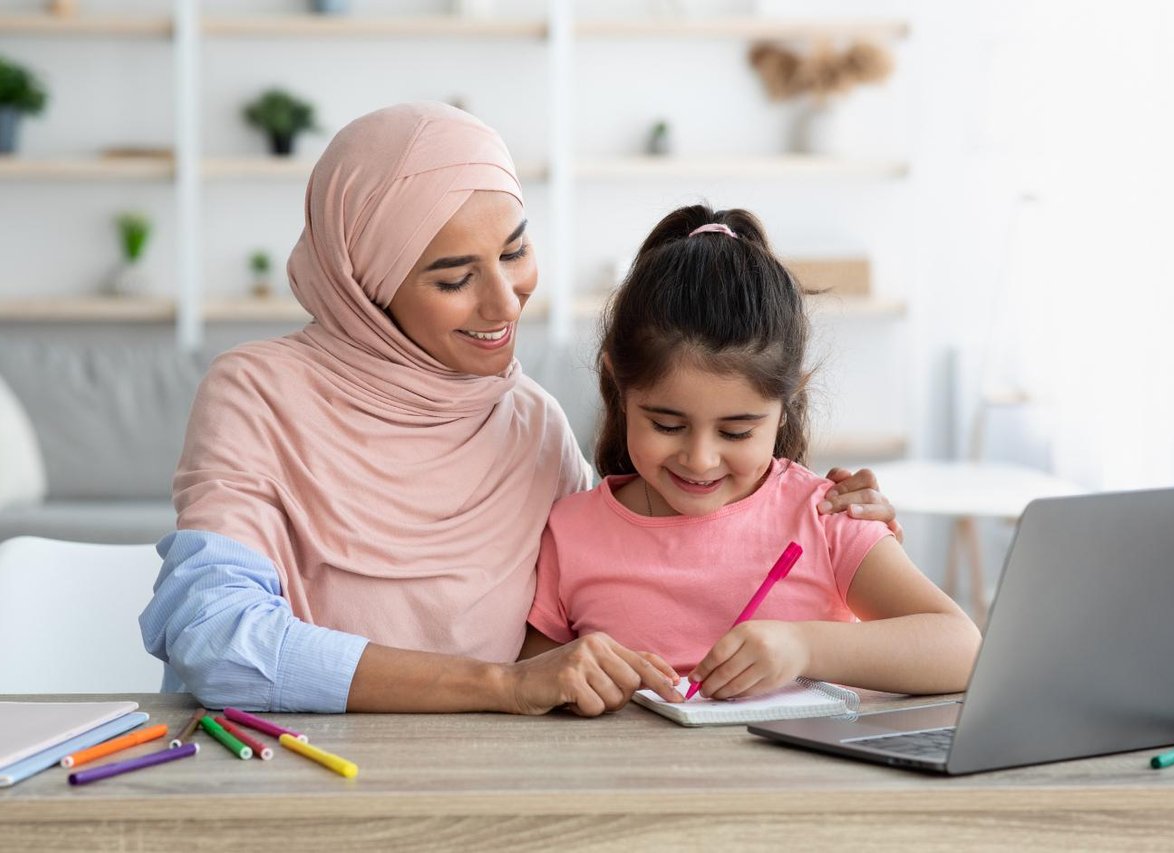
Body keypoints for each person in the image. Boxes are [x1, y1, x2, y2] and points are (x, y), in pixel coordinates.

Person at [139, 102, 901, 715]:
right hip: (296, 770)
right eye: (452, 276)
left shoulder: (529, 421)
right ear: (366, 286)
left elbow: (629, 560)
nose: (505, 301)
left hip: (497, 779)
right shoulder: (257, 393)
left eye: (514, 251)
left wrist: (828, 514)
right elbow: (217, 638)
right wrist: (503, 687)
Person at [524, 206, 981, 699]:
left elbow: (961, 649)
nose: (700, 459)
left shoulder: (826, 515)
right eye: (666, 424)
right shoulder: (569, 534)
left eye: (737, 432)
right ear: (617, 386)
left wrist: (804, 646)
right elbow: (535, 678)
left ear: (786, 406)